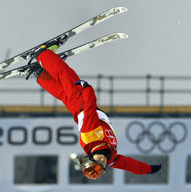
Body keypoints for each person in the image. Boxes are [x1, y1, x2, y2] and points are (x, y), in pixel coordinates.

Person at [26, 40, 162, 180]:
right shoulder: (112, 158)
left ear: (90, 157)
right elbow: (129, 165)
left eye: (97, 160)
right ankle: (41, 74)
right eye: (102, 165)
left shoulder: (91, 136)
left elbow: (90, 109)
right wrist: (148, 169)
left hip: (82, 104)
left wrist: (87, 89)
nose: (102, 161)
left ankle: (42, 55)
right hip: (78, 109)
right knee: (62, 92)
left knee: (65, 74)